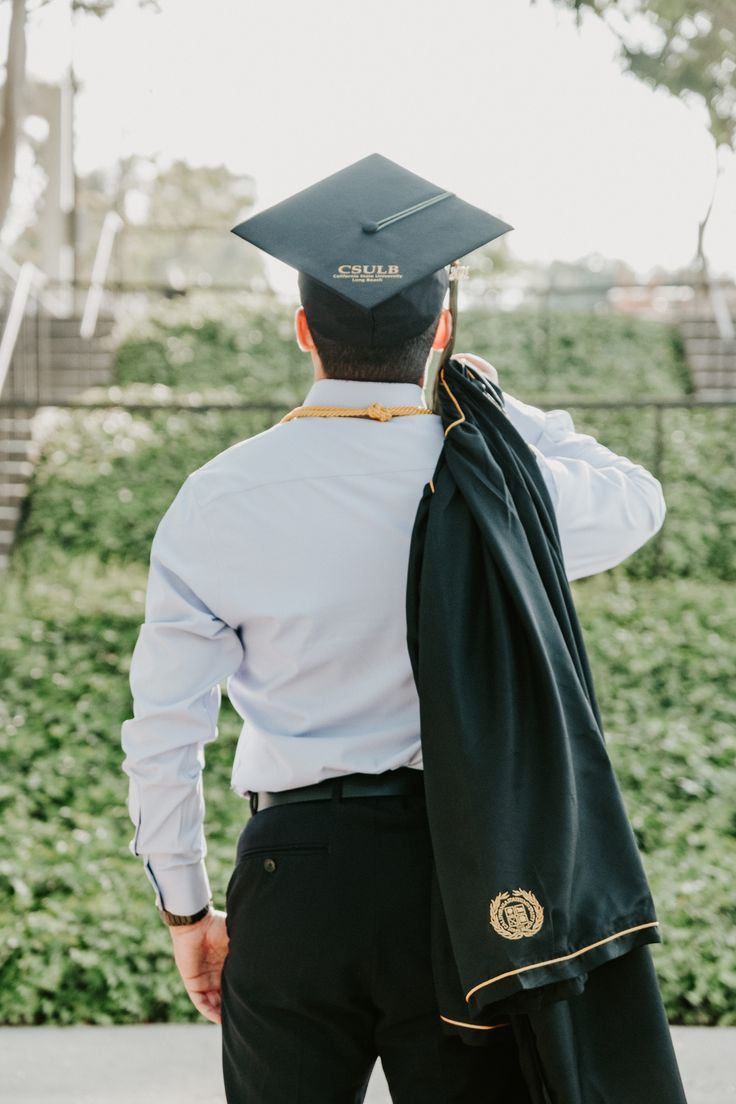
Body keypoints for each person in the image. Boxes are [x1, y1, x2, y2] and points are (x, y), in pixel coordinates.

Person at [121, 154, 678, 1102]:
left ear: (304, 330)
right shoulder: (496, 485)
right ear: (442, 330)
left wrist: (188, 910)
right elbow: (639, 500)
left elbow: (166, 729)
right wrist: (493, 405)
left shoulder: (217, 498)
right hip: (460, 875)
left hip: (292, 876)